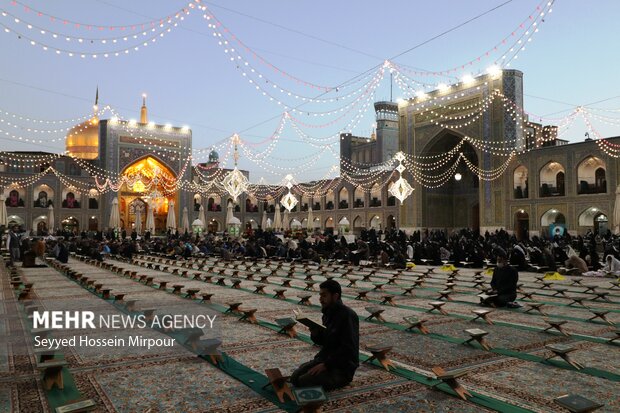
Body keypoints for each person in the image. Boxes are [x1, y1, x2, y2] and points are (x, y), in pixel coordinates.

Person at [291, 279, 359, 391]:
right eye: (320, 295)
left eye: (324, 295)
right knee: (295, 378)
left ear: (335, 296)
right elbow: (325, 342)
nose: (320, 299)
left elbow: (348, 348)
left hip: (342, 367)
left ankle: (343, 381)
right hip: (325, 359)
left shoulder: (347, 315)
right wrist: (315, 333)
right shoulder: (328, 312)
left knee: (304, 381)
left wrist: (326, 365)